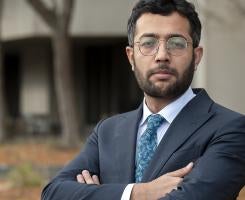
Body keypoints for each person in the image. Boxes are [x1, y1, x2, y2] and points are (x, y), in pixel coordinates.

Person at [41, 0, 245, 199]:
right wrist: (138, 193)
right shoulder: (107, 131)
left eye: (176, 43)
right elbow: (53, 193)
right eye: (148, 43)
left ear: (196, 56)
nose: (162, 55)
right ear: (131, 57)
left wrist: (97, 193)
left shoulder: (231, 129)